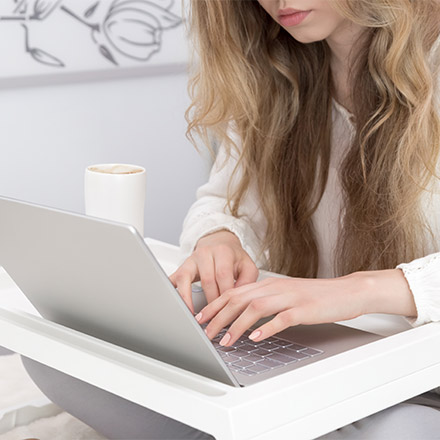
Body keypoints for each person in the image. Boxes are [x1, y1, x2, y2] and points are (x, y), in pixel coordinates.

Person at [22, 0, 440, 439]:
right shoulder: (278, 71)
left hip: (418, 379)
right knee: (54, 355)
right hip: (316, 358)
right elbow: (222, 200)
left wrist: (362, 290)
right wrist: (218, 238)